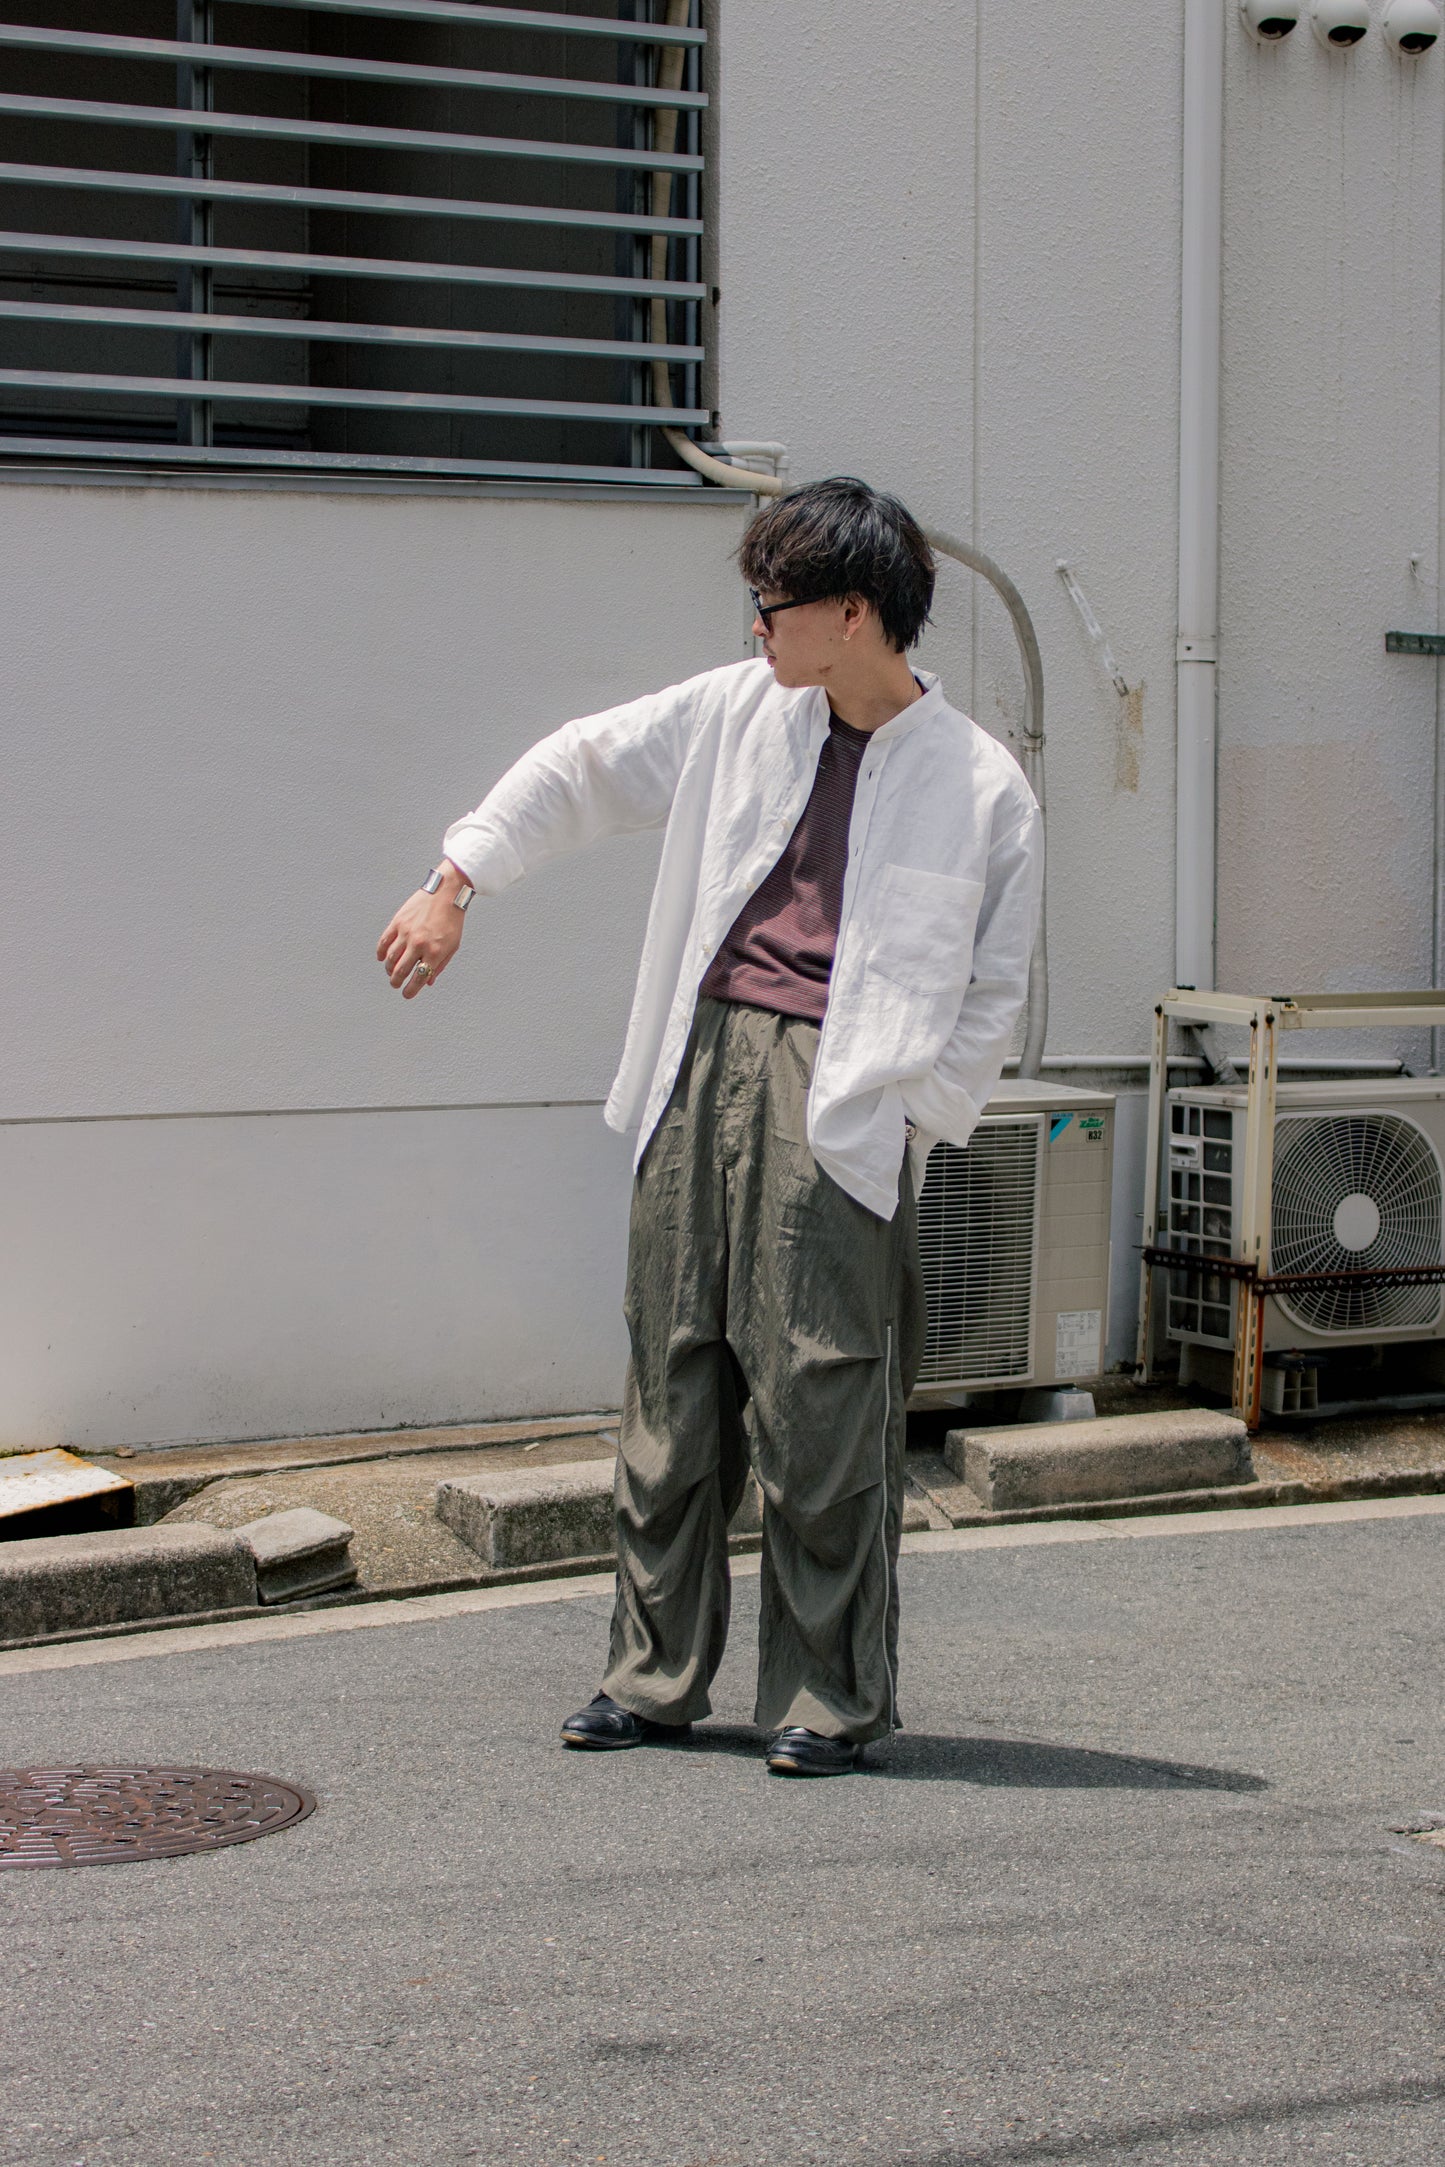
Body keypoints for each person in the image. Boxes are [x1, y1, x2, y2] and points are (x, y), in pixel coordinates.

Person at [377, 477, 1043, 1777]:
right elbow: (581, 763)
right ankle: (650, 1679)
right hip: (698, 1060)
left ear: (853, 615)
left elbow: (992, 987)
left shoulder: (980, 785)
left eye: (774, 606)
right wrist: (456, 878)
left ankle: (826, 1699)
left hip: (842, 1096)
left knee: (824, 1405)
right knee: (672, 1385)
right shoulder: (737, 711)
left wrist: (906, 1115)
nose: (755, 627)